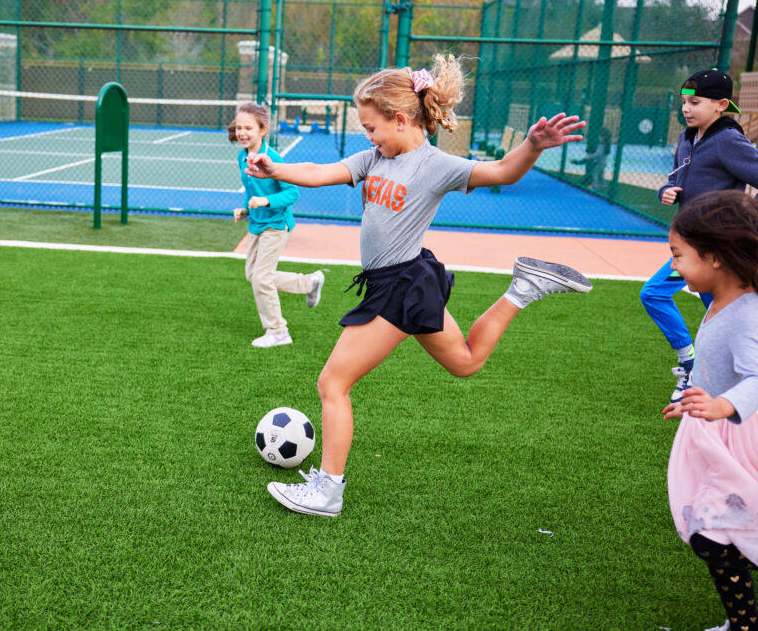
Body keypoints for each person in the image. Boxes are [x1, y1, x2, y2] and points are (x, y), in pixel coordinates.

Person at [247, 56, 592, 517]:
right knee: (466, 362)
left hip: (400, 286)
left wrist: (532, 145)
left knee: (332, 382)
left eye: (372, 127)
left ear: (401, 119)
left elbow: (503, 172)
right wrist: (275, 170)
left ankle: (328, 490)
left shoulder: (435, 166)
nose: (367, 137)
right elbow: (318, 172)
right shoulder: (373, 158)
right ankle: (524, 289)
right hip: (406, 281)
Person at [661, 190, 758, 631]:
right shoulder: (722, 301)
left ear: (716, 256)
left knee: (714, 536)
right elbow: (710, 364)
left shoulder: (746, 314)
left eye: (678, 255)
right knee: (715, 535)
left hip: (740, 439)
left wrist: (721, 404)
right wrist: (693, 397)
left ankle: (744, 624)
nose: (674, 266)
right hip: (718, 434)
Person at [641, 69, 758, 406]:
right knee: (662, 297)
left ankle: (716, 381)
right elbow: (676, 176)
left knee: (719, 318)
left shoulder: (729, 140)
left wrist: (743, 219)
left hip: (718, 250)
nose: (686, 109)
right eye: (683, 102)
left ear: (721, 104)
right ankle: (692, 364)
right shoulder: (688, 137)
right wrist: (668, 191)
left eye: (694, 102)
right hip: (692, 246)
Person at [229, 102, 325, 348]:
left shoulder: (272, 158)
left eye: (248, 127)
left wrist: (266, 200)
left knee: (262, 278)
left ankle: (278, 331)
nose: (241, 132)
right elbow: (252, 189)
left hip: (276, 224)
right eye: (239, 127)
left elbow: (292, 193)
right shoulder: (242, 156)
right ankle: (309, 283)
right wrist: (245, 208)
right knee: (254, 275)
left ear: (263, 129)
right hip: (258, 224)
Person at [572, 125, 610, 190]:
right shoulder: (605, 145)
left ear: (603, 137)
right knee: (600, 175)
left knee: (594, 173)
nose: (599, 138)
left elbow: (597, 154)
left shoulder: (602, 145)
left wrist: (589, 157)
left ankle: (595, 186)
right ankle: (604, 186)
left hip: (600, 163)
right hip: (603, 162)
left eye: (600, 136)